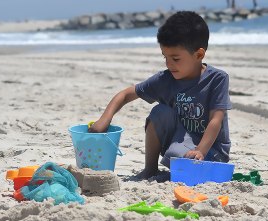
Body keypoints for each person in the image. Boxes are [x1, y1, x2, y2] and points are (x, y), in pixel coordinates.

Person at [89, 11, 232, 179]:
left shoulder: (217, 79)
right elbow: (126, 94)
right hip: (180, 143)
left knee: (178, 157)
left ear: (199, 55)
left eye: (175, 59)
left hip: (211, 151)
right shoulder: (165, 79)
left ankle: (186, 164)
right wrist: (104, 119)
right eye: (165, 57)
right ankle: (150, 169)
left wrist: (200, 150)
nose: (169, 64)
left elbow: (216, 120)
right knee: (160, 112)